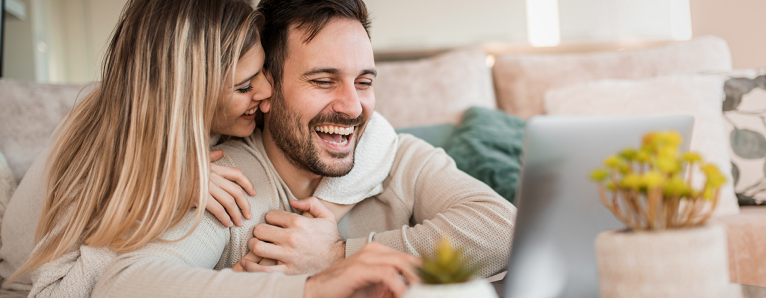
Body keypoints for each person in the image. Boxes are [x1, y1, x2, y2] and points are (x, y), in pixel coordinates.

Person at [89, 0, 516, 297]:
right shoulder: (229, 183)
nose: (352, 107)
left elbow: (505, 230)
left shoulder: (396, 156)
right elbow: (123, 286)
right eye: (323, 81)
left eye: (364, 82)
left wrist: (339, 255)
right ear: (267, 88)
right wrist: (312, 287)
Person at [2, 0, 416, 297]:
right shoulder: (102, 139)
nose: (267, 92)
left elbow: (378, 135)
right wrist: (166, 185)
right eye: (244, 86)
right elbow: (59, 290)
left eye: (262, 72)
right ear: (190, 94)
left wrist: (321, 232)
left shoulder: (215, 127)